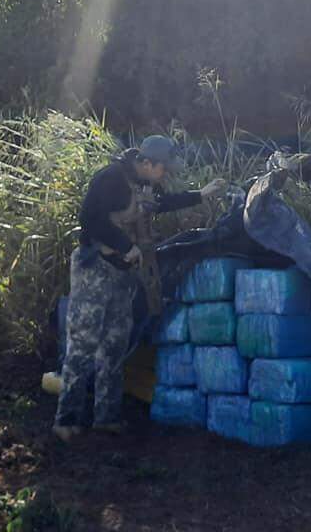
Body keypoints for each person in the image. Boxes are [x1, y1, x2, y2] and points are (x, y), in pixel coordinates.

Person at [52, 135, 226, 441]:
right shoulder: (110, 179)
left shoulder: (146, 184)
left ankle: (106, 417)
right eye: (163, 169)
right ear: (146, 163)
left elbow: (162, 204)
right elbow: (89, 220)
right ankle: (66, 420)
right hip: (95, 269)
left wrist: (202, 194)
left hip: (124, 275)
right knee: (82, 344)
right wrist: (125, 245)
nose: (165, 175)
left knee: (115, 346)